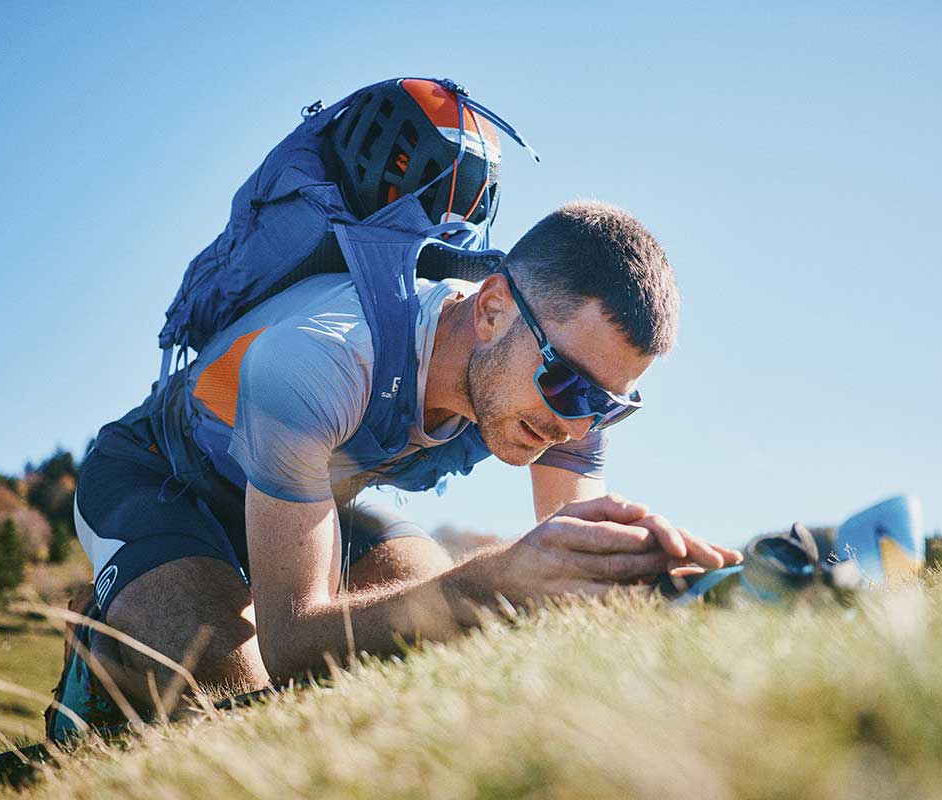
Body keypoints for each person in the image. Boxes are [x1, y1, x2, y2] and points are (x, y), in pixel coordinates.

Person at [50, 83, 742, 738]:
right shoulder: (321, 357)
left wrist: (652, 580)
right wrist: (497, 579)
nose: (577, 426)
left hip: (313, 497)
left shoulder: (561, 393)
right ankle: (102, 655)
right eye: (566, 384)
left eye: (609, 406)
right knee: (236, 692)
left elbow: (573, 568)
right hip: (162, 478)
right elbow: (295, 640)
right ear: (493, 310)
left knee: (433, 647)